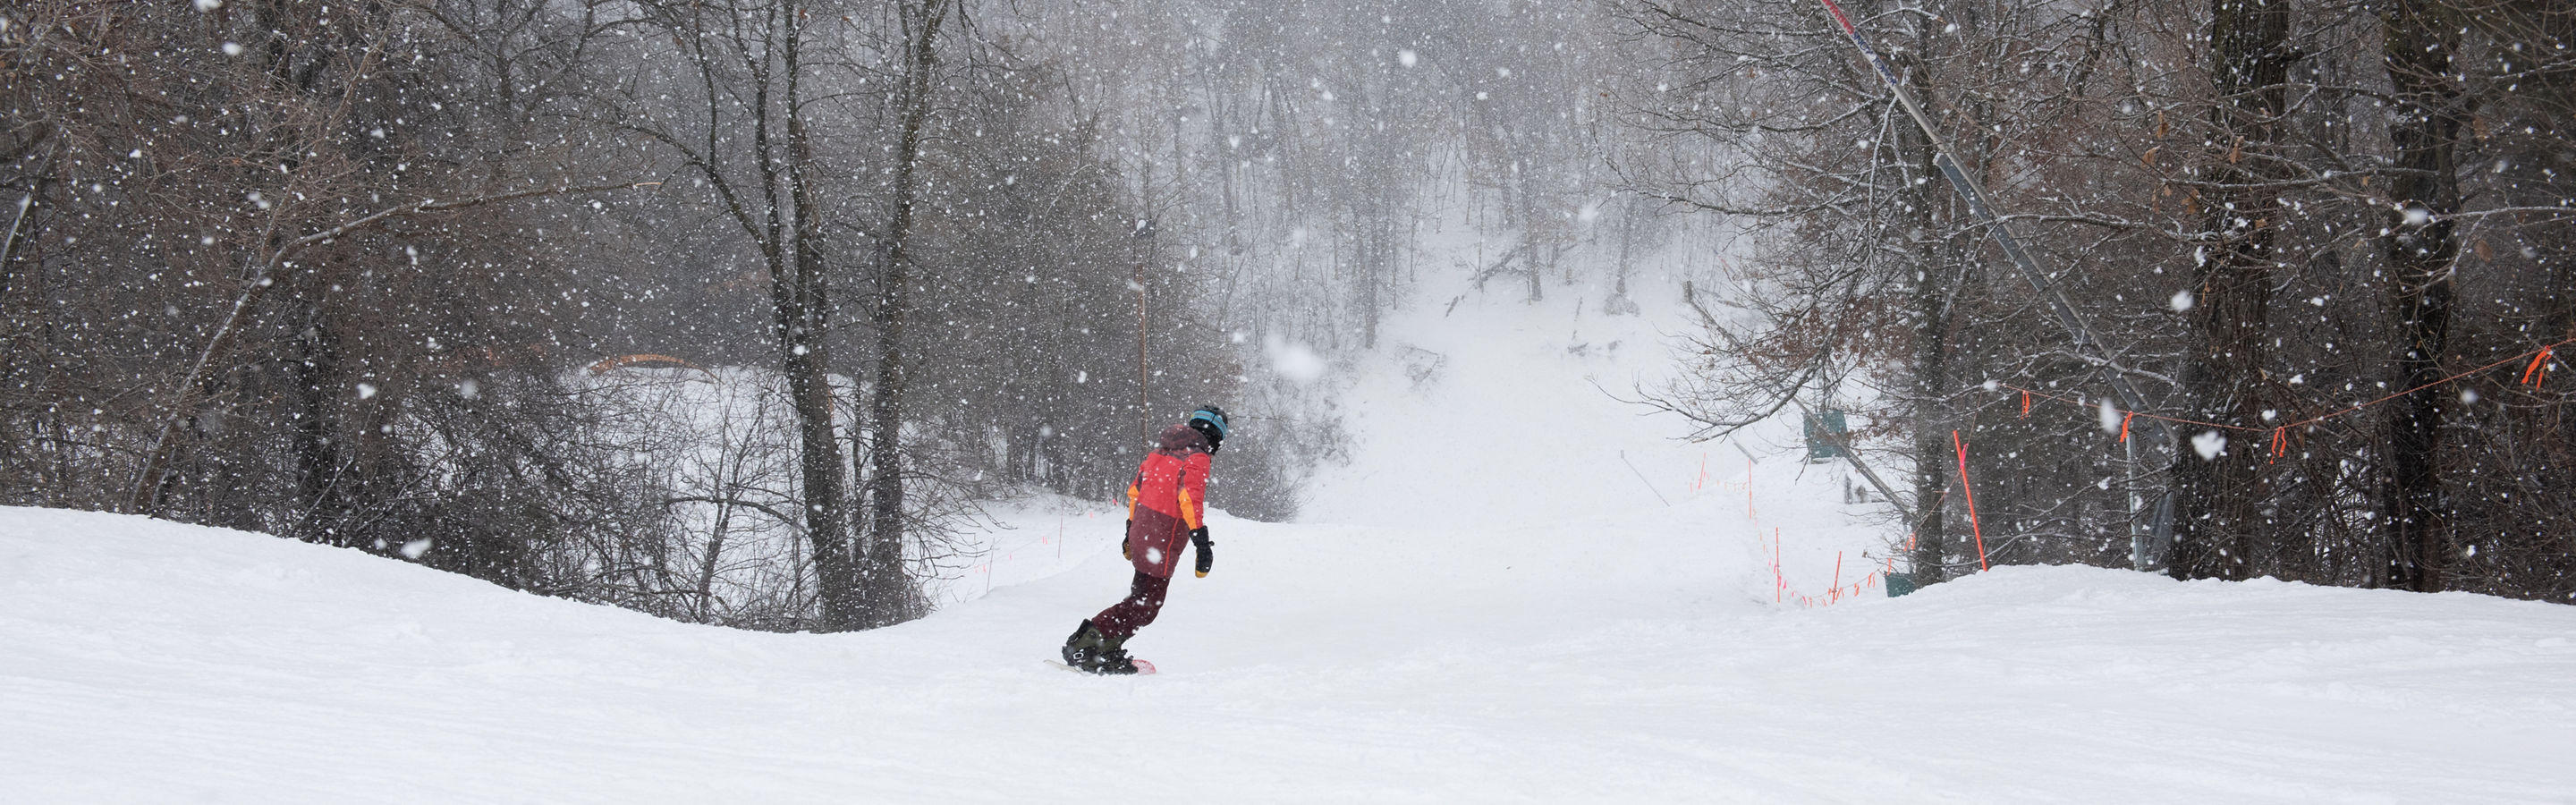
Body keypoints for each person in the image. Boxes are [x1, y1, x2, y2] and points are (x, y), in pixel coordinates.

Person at [1060, 405, 1227, 674]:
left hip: (1143, 531)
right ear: (1216, 437)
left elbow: (1135, 491)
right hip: (1164, 536)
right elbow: (1189, 498)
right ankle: (1086, 647)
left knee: (1140, 599)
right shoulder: (1197, 457)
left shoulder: (1160, 452)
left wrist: (1130, 529)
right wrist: (1202, 542)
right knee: (1146, 606)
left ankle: (1104, 648)